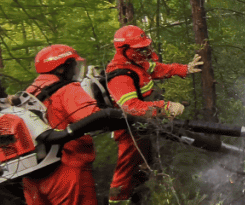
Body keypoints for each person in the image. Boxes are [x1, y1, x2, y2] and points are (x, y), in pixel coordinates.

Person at [106, 25, 201, 205]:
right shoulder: (119, 75)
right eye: (139, 48)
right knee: (125, 172)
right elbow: (131, 107)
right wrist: (164, 107)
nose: (144, 51)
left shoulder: (136, 63)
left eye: (144, 46)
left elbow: (157, 69)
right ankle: (117, 201)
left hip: (143, 126)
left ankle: (141, 196)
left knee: (144, 166)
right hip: (130, 131)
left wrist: (184, 69)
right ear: (124, 49)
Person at [21, 45, 120, 205]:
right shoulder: (67, 89)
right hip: (67, 170)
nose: (75, 70)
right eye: (73, 65)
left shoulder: (29, 92)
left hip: (32, 177)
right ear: (61, 68)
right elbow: (95, 117)